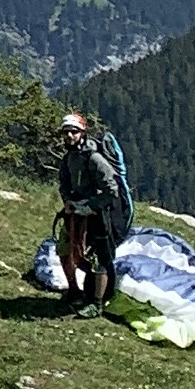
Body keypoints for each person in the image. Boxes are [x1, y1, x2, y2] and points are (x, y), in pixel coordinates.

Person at [55, 109, 132, 310]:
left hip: (99, 215)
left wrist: (89, 206)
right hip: (76, 212)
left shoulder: (95, 159)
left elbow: (111, 190)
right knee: (65, 249)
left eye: (74, 132)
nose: (70, 136)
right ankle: (74, 291)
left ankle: (96, 303)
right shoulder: (69, 158)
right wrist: (68, 202)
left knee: (100, 258)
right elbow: (63, 183)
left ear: (82, 133)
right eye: (66, 132)